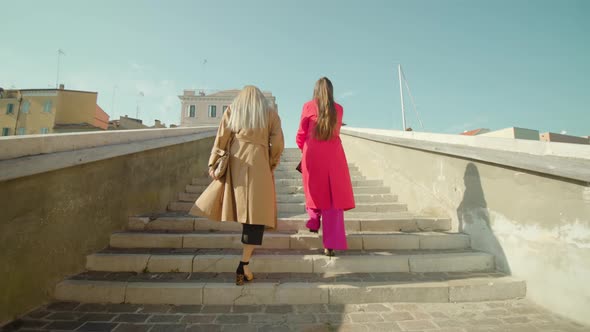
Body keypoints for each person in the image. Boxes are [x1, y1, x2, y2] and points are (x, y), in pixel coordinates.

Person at [207, 85, 284, 285]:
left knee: (241, 206)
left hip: (236, 160)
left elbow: (221, 136)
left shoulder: (233, 109)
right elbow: (277, 143)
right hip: (259, 161)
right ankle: (244, 263)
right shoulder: (270, 113)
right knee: (256, 214)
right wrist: (272, 162)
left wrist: (213, 161)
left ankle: (244, 264)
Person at [296, 77, 355, 256]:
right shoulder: (339, 109)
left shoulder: (308, 106)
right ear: (331, 90)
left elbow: (301, 132)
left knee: (313, 187)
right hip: (334, 156)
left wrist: (303, 148)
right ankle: (330, 243)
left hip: (313, 152)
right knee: (332, 196)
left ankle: (314, 219)